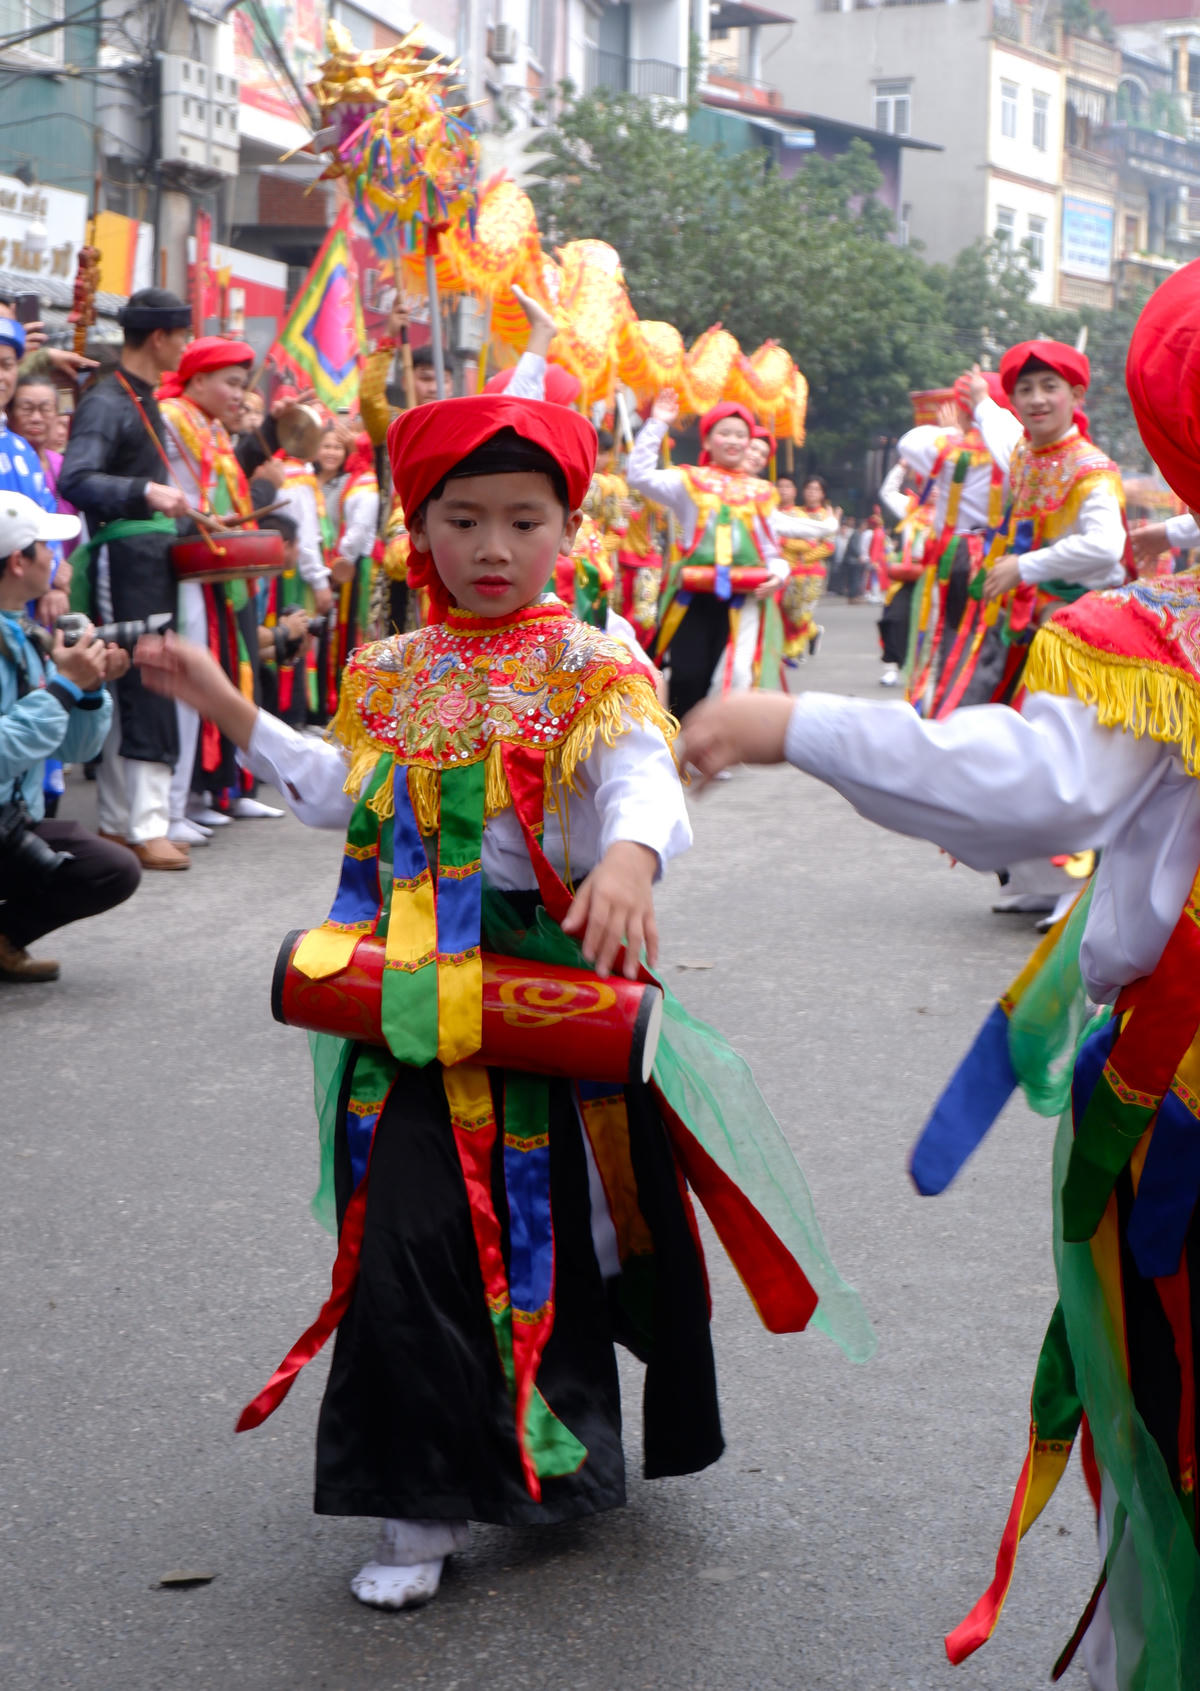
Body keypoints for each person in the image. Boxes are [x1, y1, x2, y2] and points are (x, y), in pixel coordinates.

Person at [134, 389, 871, 1616]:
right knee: (410, 1242)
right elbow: (338, 794)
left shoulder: (594, 661)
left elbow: (644, 780)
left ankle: (547, 1453)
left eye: (522, 521)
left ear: (567, 533)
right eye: (462, 519)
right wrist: (224, 705)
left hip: (546, 1000)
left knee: (549, 1248)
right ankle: (416, 1500)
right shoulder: (391, 669)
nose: (490, 548)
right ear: (417, 530)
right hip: (409, 1007)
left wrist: (632, 858)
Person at [678, 265, 1200, 1691]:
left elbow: (1033, 788)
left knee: (1175, 1449)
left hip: (1182, 1120)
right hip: (1177, 1114)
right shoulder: (1161, 622)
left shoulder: (1171, 629)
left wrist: (799, 723)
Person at [57, 287, 193, 871]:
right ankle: (138, 824)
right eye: (182, 335)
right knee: (140, 675)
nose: (186, 347)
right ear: (159, 337)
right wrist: (144, 490)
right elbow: (75, 478)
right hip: (121, 558)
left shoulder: (137, 396)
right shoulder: (108, 399)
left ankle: (126, 822)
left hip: (148, 558)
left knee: (142, 673)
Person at [0, 492, 140, 981]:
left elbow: (75, 749)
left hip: (11, 821)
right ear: (19, 561)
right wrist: (62, 688)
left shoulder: (24, 632)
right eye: (46, 547)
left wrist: (87, 690)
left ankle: (2, 937)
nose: (56, 560)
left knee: (111, 868)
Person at [158, 335, 281, 843]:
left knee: (227, 673)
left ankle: (213, 789)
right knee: (189, 682)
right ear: (198, 379)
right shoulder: (171, 417)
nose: (238, 394)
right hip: (181, 562)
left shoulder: (210, 426)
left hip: (216, 565)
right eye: (230, 383)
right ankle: (172, 805)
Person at [627, 393, 786, 716]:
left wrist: (779, 575)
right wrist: (658, 423)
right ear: (708, 440)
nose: (733, 440)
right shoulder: (690, 482)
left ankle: (714, 744)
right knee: (688, 674)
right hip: (693, 595)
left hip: (745, 598)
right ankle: (682, 741)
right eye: (724, 432)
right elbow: (639, 476)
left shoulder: (762, 492)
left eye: (741, 435)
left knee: (735, 675)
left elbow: (771, 550)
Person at [773, 473, 838, 664]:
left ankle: (795, 650)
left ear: (823, 493)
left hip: (812, 571)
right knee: (788, 610)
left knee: (801, 612)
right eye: (809, 489)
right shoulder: (795, 512)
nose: (811, 493)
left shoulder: (825, 516)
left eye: (816, 489)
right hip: (789, 570)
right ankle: (810, 634)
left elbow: (827, 546)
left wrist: (803, 557)